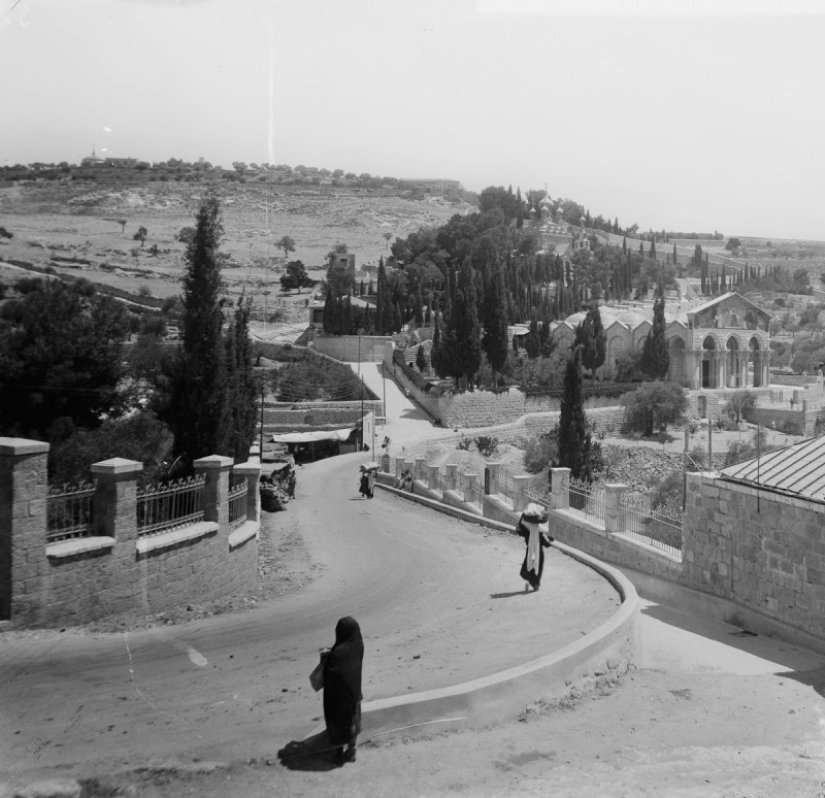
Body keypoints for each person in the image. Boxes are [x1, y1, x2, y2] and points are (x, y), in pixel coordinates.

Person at [322, 616, 363, 766]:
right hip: (355, 694)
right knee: (353, 724)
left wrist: (326, 659)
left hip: (339, 698)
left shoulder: (338, 652)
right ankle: (352, 753)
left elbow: (332, 672)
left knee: (338, 724)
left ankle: (338, 756)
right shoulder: (358, 645)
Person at [514, 503, 554, 592]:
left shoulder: (525, 523)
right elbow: (544, 540)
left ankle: (532, 582)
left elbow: (519, 530)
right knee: (536, 565)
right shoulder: (536, 527)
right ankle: (535, 584)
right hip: (538, 550)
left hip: (531, 548)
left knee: (528, 567)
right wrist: (549, 541)